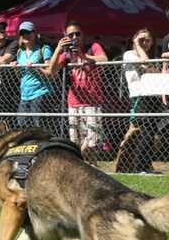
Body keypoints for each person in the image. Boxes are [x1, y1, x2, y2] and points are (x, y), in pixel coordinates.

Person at [48, 21, 108, 167]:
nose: (74, 37)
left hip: (92, 100)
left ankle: (74, 160)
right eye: (71, 34)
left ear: (83, 34)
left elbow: (104, 60)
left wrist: (84, 56)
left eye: (77, 33)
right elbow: (52, 70)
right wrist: (58, 49)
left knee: (92, 138)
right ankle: (92, 166)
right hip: (74, 102)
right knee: (76, 139)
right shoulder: (66, 53)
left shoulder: (92, 47)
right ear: (65, 36)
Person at [117, 27, 160, 173]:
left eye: (148, 40)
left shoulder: (153, 56)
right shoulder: (129, 54)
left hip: (153, 95)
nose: (145, 43)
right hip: (138, 96)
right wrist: (137, 45)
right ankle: (139, 167)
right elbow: (146, 65)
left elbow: (153, 71)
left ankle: (146, 166)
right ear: (135, 39)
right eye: (142, 39)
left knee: (152, 132)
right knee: (145, 131)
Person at [13, 21, 54, 131]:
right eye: (22, 33)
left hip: (40, 93)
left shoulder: (44, 50)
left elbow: (50, 73)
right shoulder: (19, 53)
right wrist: (16, 68)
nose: (25, 35)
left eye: (28, 32)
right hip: (24, 95)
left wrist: (36, 68)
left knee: (39, 127)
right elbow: (21, 76)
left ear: (34, 33)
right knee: (22, 127)